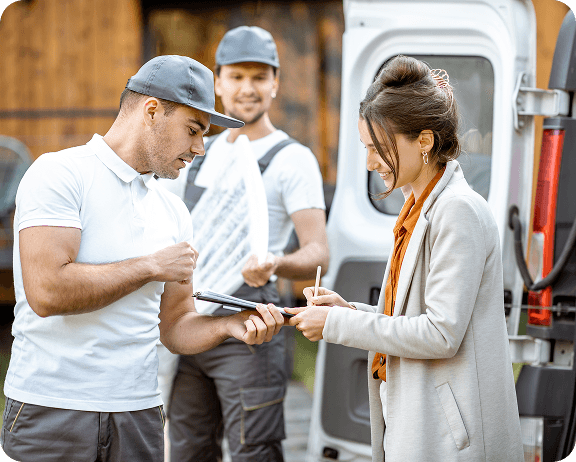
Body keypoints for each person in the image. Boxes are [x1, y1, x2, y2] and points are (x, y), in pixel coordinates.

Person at [0, 55, 285, 462]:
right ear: (152, 111)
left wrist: (230, 325)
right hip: (50, 409)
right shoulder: (60, 174)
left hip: (139, 415)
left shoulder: (173, 212)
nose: (199, 148)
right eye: (193, 130)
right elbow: (47, 292)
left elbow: (175, 326)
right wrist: (150, 266)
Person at [285, 56, 524, 462]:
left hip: (453, 437)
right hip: (419, 418)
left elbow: (440, 333)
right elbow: (409, 313)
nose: (370, 162)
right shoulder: (418, 206)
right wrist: (348, 308)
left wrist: (338, 323)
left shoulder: (457, 210)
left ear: (425, 142)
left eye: (379, 148)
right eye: (366, 148)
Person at [161, 26, 329, 462]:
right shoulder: (199, 151)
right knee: (187, 452)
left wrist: (273, 262)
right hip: (190, 322)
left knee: (254, 452)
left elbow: (318, 253)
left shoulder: (293, 158)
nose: (247, 89)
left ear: (275, 84)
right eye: (236, 77)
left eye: (259, 77)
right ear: (218, 83)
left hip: (251, 323)